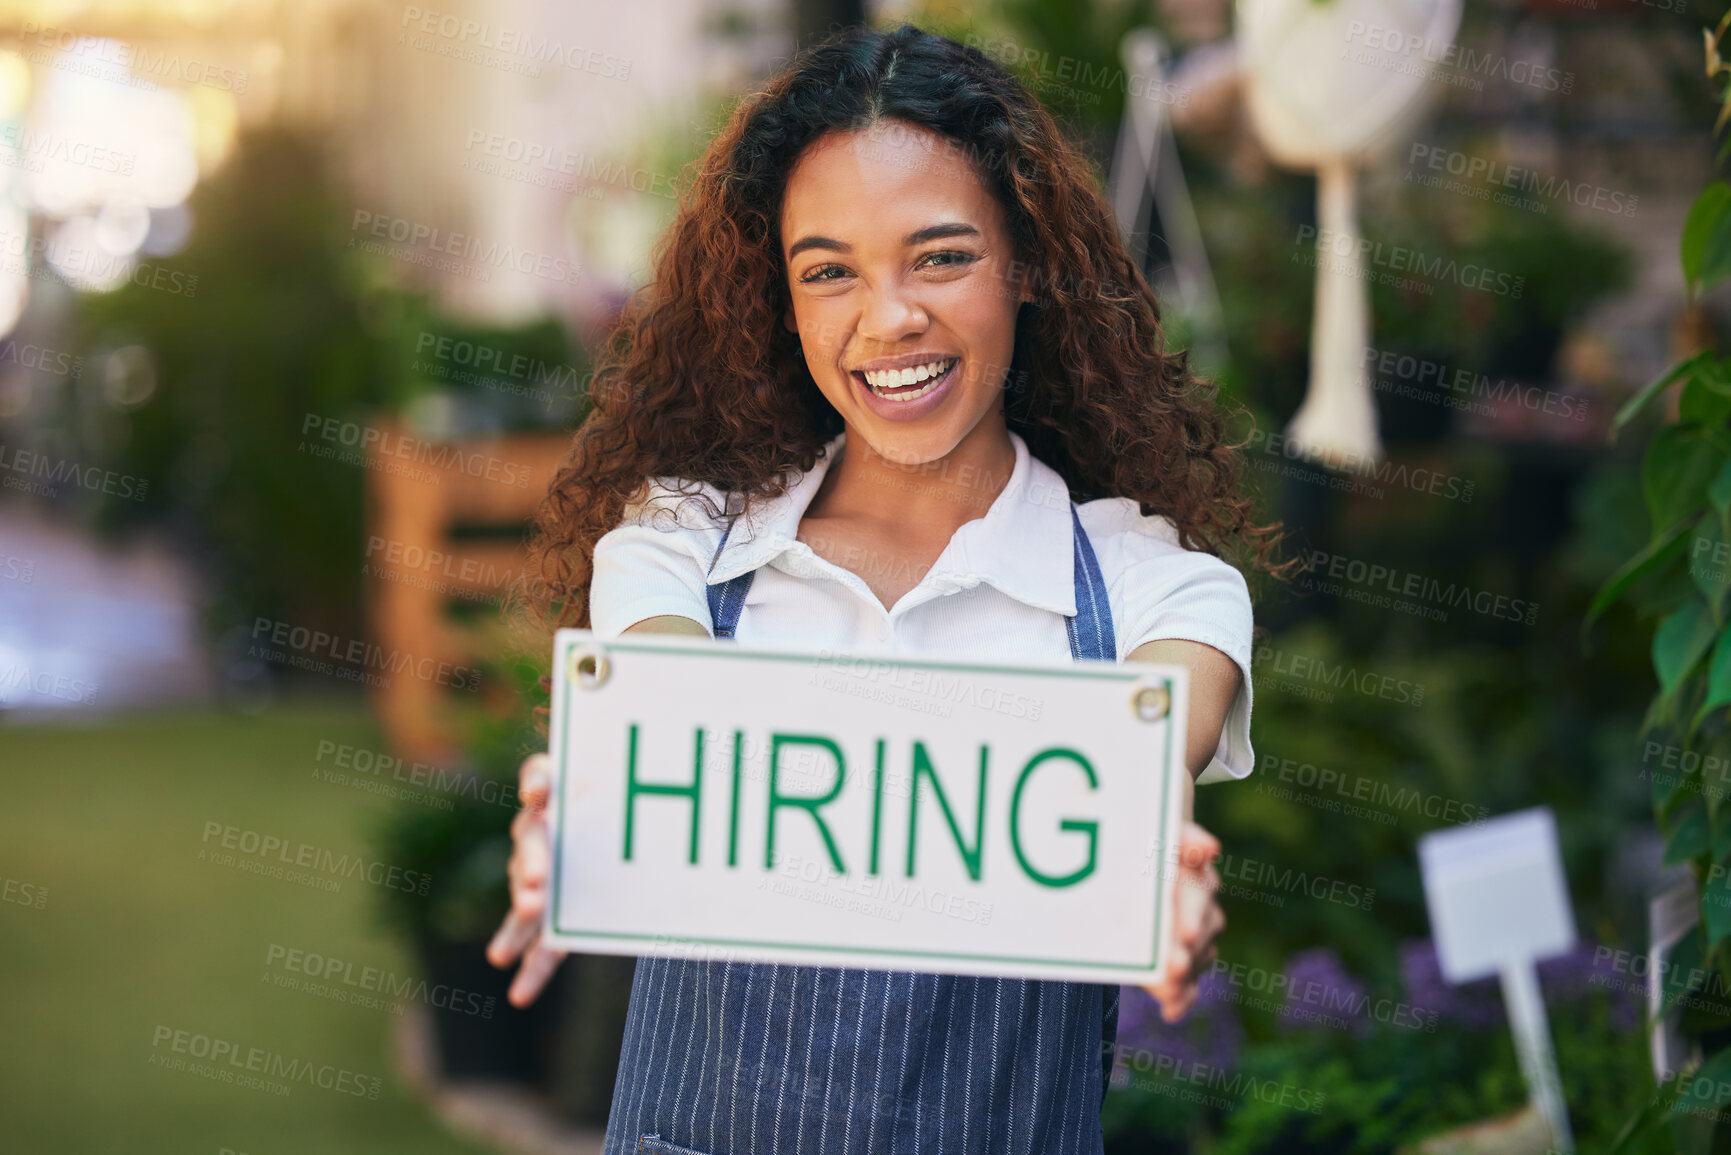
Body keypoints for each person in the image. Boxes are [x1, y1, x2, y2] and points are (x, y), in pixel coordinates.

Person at [488, 22, 1285, 1155]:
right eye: (829, 273)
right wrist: (592, 808)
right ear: (783, 301)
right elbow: (655, 712)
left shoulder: (1157, 594)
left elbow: (1147, 769)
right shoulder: (680, 549)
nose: (888, 318)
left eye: (942, 256)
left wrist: (1149, 866)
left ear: (1026, 268)